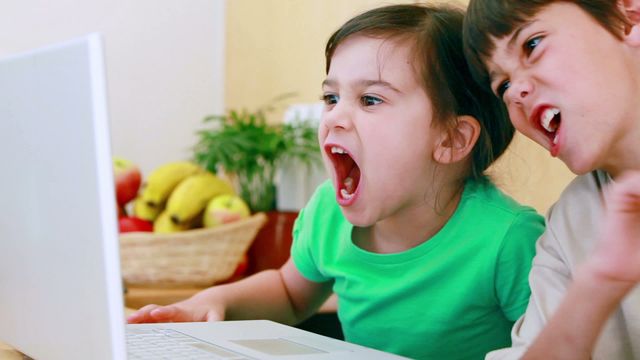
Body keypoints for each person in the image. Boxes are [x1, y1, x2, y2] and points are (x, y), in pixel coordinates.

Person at [127, 4, 545, 359]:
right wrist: (216, 301)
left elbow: (554, 344)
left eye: (370, 99)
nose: (335, 117)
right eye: (331, 97)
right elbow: (290, 294)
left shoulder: (509, 239)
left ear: (452, 139)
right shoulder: (328, 213)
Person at [462, 1, 640, 359]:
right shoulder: (568, 223)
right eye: (502, 85)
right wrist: (597, 286)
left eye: (532, 44)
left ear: (628, 15)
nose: (513, 93)